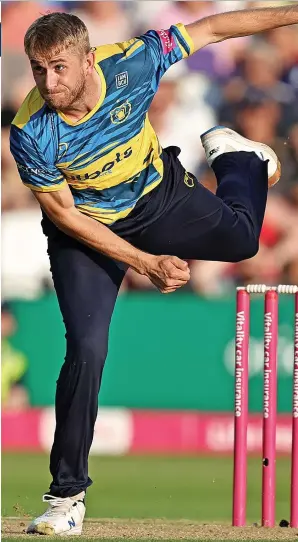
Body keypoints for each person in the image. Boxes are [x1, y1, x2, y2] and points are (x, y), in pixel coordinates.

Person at [10, 4, 298, 536]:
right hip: (86, 231)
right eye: (37, 69)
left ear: (88, 60)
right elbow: (63, 214)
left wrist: (290, 13)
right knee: (87, 350)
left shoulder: (132, 64)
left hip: (154, 197)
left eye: (59, 67)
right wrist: (143, 262)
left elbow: (211, 28)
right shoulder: (32, 131)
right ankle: (66, 498)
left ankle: (240, 160)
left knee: (242, 239)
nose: (47, 83)